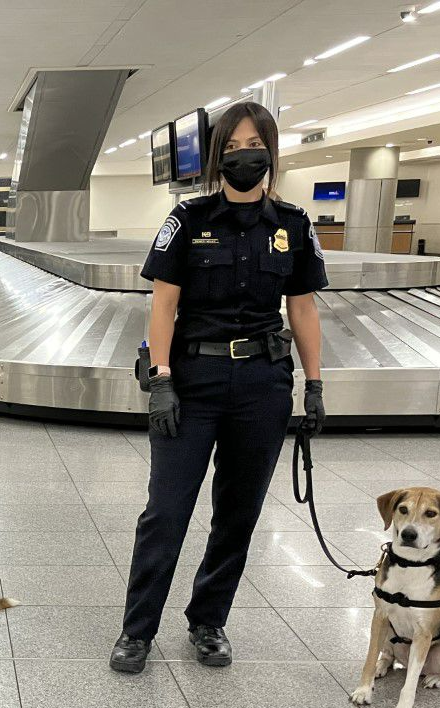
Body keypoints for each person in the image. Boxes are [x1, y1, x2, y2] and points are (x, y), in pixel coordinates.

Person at [110, 102, 327, 674]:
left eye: (253, 144)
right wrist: (160, 380)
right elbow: (163, 304)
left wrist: (315, 384)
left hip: (262, 384)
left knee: (239, 512)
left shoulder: (294, 225)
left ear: (271, 151)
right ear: (217, 156)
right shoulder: (187, 219)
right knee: (167, 509)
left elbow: (302, 308)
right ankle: (138, 629)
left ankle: (209, 620)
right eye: (231, 147)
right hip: (192, 382)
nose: (242, 155)